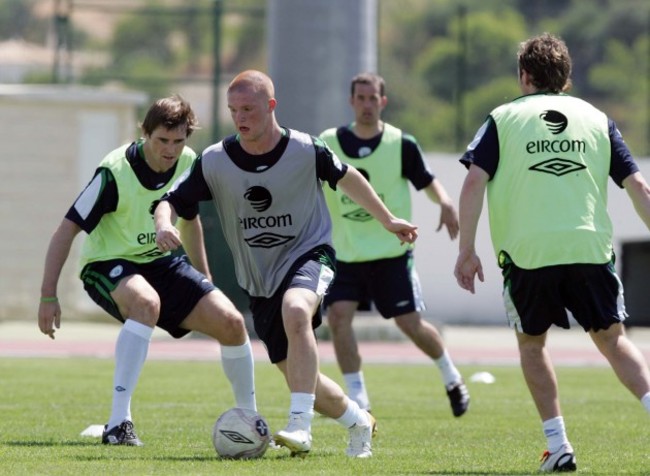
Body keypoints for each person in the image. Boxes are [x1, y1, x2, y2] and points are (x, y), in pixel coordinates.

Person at [153, 70, 418, 458]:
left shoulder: (306, 149)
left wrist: (388, 219)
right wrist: (163, 224)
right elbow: (170, 201)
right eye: (233, 110)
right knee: (295, 372)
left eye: (249, 108)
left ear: (271, 106)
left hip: (311, 254)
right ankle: (359, 421)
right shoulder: (215, 161)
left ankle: (300, 426)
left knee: (296, 310)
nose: (240, 117)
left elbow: (348, 178)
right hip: (259, 281)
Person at [454, 33, 650, 473]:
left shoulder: (503, 118)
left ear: (524, 75)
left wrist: (466, 250)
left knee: (531, 343)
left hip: (528, 253)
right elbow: (638, 186)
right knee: (613, 341)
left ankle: (558, 445)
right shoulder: (596, 118)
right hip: (587, 245)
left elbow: (472, 183)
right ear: (566, 77)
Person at [38, 95, 257, 447]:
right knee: (145, 303)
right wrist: (48, 295)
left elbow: (190, 222)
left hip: (163, 263)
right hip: (109, 264)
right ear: (145, 134)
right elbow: (66, 230)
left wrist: (206, 281)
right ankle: (118, 424)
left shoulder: (188, 161)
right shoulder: (114, 172)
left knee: (232, 322)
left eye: (178, 141)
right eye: (162, 141)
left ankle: (251, 422)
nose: (170, 150)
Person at [319, 72, 470, 417]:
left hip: (391, 254)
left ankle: (452, 377)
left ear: (383, 102)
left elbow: (427, 181)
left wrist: (445, 202)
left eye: (373, 98)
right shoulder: (328, 142)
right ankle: (359, 397)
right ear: (351, 101)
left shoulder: (401, 144)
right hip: (346, 253)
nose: (367, 104)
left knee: (409, 324)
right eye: (361, 98)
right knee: (339, 318)